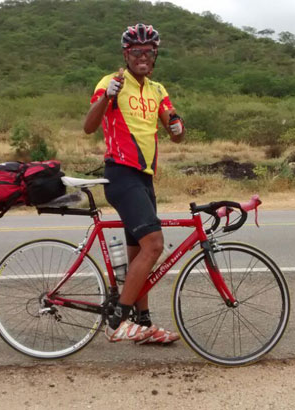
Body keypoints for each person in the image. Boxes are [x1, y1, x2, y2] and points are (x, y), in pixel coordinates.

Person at [83, 23, 185, 344]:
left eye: (148, 52)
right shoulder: (110, 82)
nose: (143, 57)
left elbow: (173, 125)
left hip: (144, 179)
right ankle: (118, 321)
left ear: (154, 56)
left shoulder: (157, 90)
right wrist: (106, 98)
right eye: (136, 52)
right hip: (121, 175)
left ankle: (144, 323)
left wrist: (178, 126)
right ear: (126, 55)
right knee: (154, 245)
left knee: (139, 253)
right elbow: (88, 126)